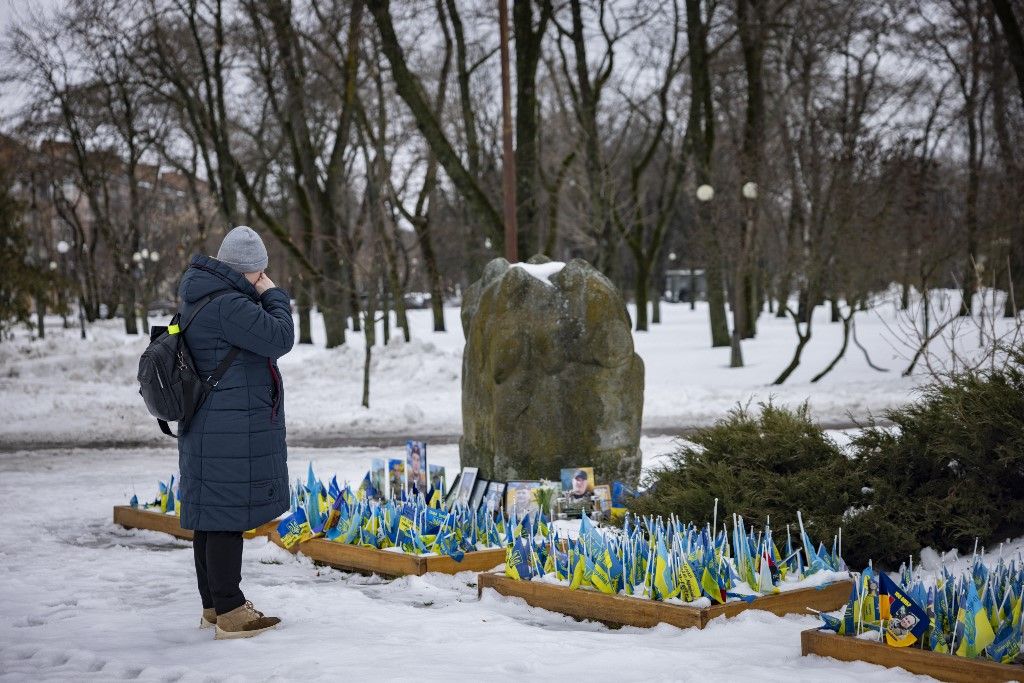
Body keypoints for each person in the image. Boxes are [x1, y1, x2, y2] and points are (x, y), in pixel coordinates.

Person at [177, 226, 294, 639]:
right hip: (228, 426)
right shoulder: (229, 304)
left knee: (211, 518)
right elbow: (280, 337)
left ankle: (213, 605)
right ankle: (230, 610)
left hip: (209, 424)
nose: (261, 278)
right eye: (258, 272)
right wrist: (273, 293)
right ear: (247, 270)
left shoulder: (200, 295)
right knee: (226, 518)